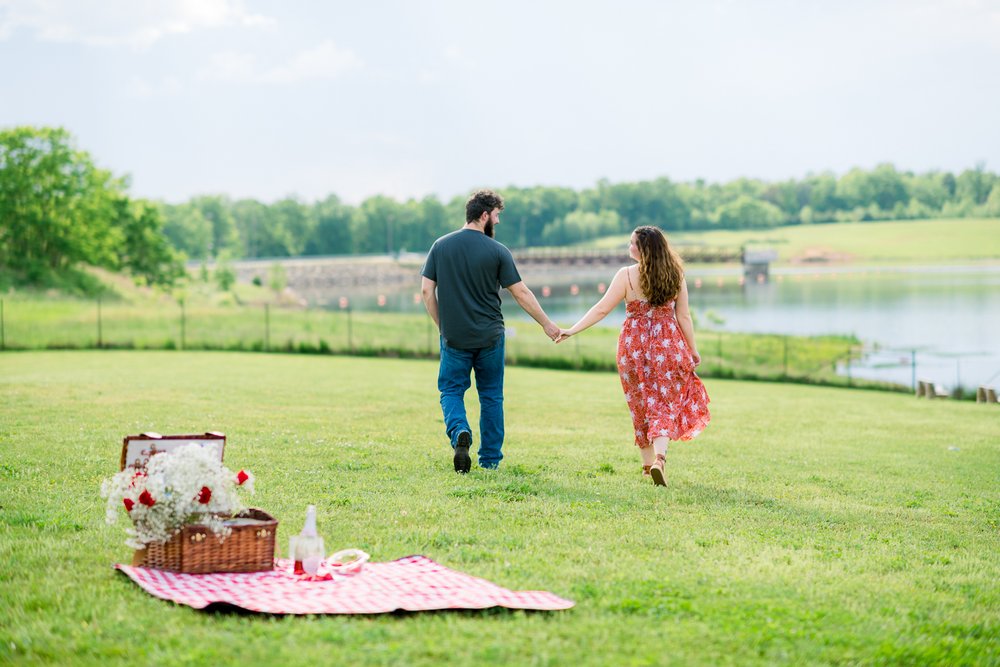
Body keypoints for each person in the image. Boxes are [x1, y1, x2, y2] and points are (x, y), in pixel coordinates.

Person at [557, 226, 710, 486]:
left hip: (633, 347)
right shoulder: (676, 274)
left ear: (644, 250)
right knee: (663, 404)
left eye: (632, 244)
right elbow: (683, 316)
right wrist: (692, 349)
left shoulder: (626, 276)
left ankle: (647, 465)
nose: (628, 247)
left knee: (639, 404)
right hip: (667, 346)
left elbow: (602, 309)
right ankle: (659, 459)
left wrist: (573, 329)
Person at [421, 189, 560, 473]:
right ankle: (490, 461)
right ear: (484, 215)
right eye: (495, 216)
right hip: (490, 338)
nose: (496, 222)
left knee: (450, 390)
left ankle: (460, 430)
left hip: (454, 338)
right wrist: (547, 324)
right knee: (491, 397)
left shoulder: (440, 246)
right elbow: (520, 292)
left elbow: (426, 290)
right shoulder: (498, 251)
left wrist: (442, 326)